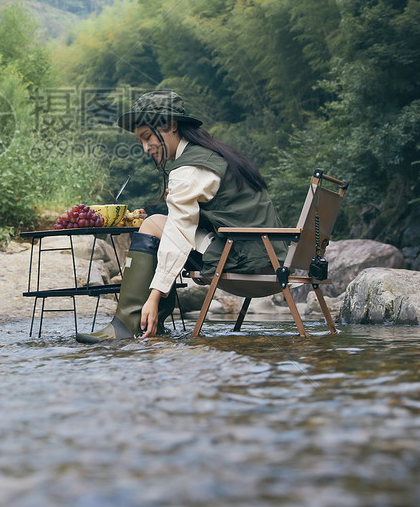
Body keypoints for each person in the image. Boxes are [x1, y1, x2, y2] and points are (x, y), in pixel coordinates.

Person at [74, 89, 287, 343]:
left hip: (245, 260)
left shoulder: (189, 167)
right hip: (266, 254)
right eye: (140, 141)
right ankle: (149, 324)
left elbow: (179, 233)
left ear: (171, 126)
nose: (145, 148)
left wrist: (154, 296)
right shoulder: (210, 154)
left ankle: (128, 324)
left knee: (153, 224)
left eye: (147, 137)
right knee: (157, 223)